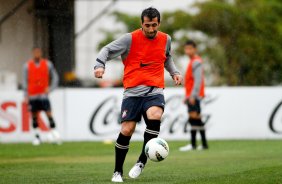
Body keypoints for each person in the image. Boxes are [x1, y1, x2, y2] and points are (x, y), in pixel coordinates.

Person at [94, 7, 182, 183]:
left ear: (159, 23)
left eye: (154, 25)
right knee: (127, 129)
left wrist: (174, 72)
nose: (151, 29)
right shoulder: (129, 39)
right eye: (148, 25)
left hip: (154, 90)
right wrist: (99, 65)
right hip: (132, 93)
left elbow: (167, 57)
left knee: (155, 115)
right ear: (141, 24)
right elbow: (106, 50)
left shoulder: (166, 39)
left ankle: (142, 160)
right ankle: (117, 171)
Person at [23, 47, 61, 146]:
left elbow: (55, 77)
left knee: (49, 114)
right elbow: (25, 82)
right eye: (35, 52)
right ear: (32, 53)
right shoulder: (27, 66)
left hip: (43, 95)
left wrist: (51, 88)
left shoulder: (47, 64)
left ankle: (54, 135)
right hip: (32, 95)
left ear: (41, 53)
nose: (37, 54)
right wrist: (25, 95)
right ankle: (37, 137)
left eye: (38, 52)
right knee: (34, 116)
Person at [179, 40, 208, 152]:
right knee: (197, 119)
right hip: (192, 95)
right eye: (186, 49)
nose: (188, 51)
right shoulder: (193, 61)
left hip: (194, 96)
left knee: (193, 118)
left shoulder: (196, 62)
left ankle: (193, 144)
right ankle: (203, 144)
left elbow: (198, 80)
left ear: (195, 49)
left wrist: (192, 95)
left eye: (190, 48)